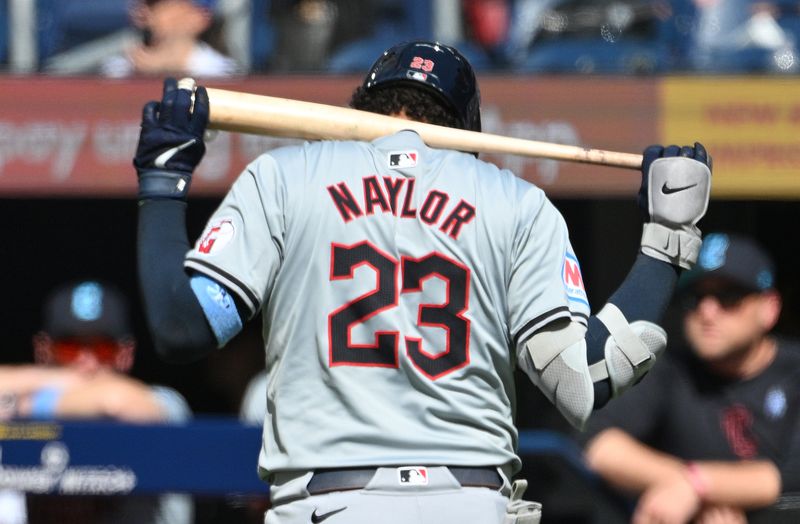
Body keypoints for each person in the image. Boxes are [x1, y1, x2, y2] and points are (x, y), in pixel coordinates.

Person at [133, 40, 711, 523]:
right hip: (471, 502)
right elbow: (586, 378)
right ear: (468, 129)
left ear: (363, 106)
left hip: (326, 503)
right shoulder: (517, 203)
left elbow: (182, 327)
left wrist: (164, 181)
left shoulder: (285, 177)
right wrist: (667, 238)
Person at [581, 232, 800, 524]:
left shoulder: (794, 369)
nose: (708, 312)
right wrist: (689, 488)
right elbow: (600, 446)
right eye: (695, 298)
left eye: (729, 297)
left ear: (770, 307)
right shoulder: (671, 369)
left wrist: (696, 486)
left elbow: (789, 478)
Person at [0, 279, 193, 524]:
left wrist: (26, 405)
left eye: (103, 348)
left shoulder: (160, 401)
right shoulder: (30, 392)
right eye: (69, 347)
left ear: (125, 354)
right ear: (43, 350)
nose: (87, 363)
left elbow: (117, 403)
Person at [101, 0, 239, 78]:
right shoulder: (121, 68)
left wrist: (169, 70)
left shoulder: (223, 71)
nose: (142, 12)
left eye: (157, 5)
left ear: (198, 17)